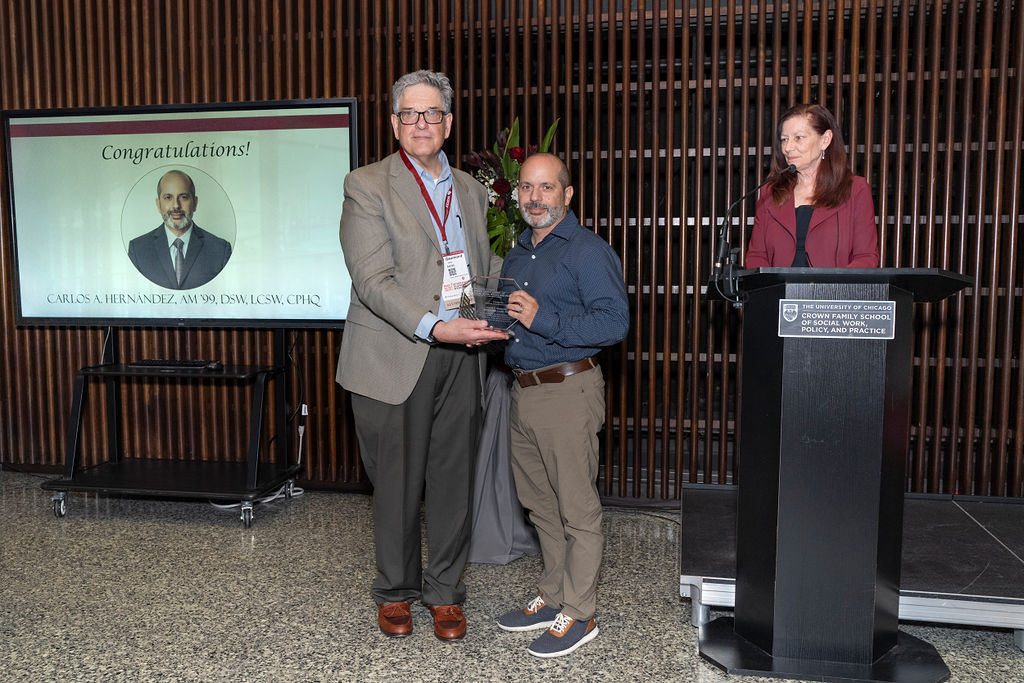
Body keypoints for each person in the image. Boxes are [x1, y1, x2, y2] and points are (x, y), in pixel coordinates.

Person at [335, 70, 508, 642]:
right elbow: (373, 281)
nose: (421, 124)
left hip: (466, 352)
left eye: (432, 113)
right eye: (410, 114)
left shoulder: (472, 189)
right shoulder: (365, 185)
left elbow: (479, 269)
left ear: (449, 122)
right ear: (393, 123)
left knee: (455, 479)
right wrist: (439, 328)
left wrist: (501, 308)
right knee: (397, 484)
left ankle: (445, 592)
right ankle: (396, 590)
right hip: (395, 353)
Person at [496, 153, 629, 658]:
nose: (535, 197)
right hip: (523, 391)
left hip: (568, 391)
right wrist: (486, 329)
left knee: (577, 510)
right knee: (541, 508)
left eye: (546, 188)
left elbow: (614, 324)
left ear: (567, 195)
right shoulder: (517, 254)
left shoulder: (588, 252)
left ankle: (581, 612)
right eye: (527, 188)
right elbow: (513, 322)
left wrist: (542, 317)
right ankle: (554, 596)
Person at [745, 103, 880, 268]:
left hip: (834, 292)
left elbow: (866, 257)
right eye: (784, 140)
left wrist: (831, 290)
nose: (788, 148)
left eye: (798, 138)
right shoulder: (769, 192)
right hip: (778, 293)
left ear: (825, 140)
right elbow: (756, 256)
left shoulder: (855, 190)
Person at [128, 169, 232, 289]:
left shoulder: (220, 250)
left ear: (195, 203)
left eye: (183, 197)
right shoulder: (138, 250)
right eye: (168, 197)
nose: (176, 205)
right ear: (158, 204)